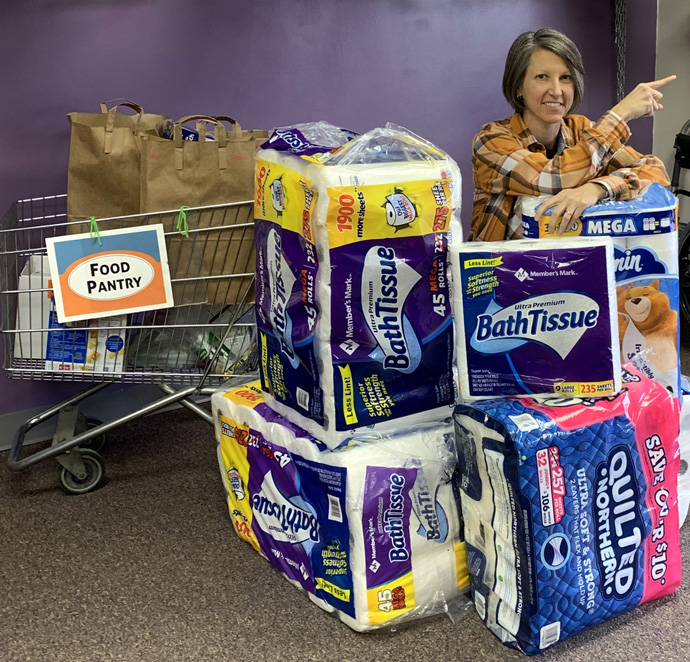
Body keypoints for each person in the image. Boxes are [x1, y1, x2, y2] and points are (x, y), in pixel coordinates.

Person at [470, 28, 675, 241]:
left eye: (566, 78)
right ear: (518, 86)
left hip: (573, 267)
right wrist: (619, 115)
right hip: (500, 270)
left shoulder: (582, 130)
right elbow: (554, 177)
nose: (557, 91)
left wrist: (597, 188)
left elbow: (654, 170)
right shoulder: (490, 140)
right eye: (542, 77)